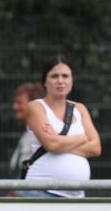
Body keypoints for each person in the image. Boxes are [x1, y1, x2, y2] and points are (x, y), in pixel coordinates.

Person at [23, 56, 101, 198]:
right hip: (40, 191)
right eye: (54, 76)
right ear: (45, 82)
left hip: (76, 196)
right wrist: (83, 138)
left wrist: (60, 141)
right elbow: (52, 145)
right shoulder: (36, 107)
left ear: (72, 80)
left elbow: (96, 148)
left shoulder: (80, 108)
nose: (60, 81)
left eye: (65, 76)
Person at [8, 82, 45, 179]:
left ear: (33, 105)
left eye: (19, 103)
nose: (15, 107)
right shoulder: (27, 133)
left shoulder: (41, 133)